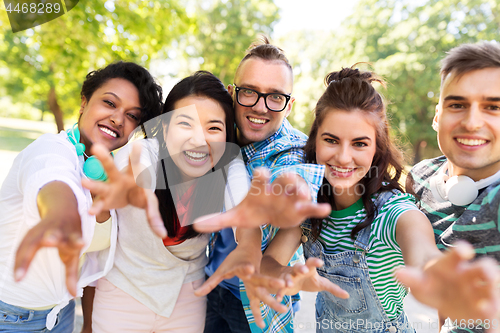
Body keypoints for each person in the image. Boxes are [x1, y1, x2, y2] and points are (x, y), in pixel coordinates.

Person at [259, 66, 499, 333]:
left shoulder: (396, 214)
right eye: (331, 140)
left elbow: (423, 257)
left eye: (359, 143)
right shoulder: (307, 204)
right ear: (315, 140)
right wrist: (283, 275)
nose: (343, 157)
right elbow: (269, 263)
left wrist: (439, 277)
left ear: (377, 147)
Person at [0, 61, 163, 332]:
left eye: (132, 115)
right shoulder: (50, 148)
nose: (118, 118)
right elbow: (53, 181)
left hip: (60, 315)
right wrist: (60, 216)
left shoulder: (108, 175)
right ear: (84, 102)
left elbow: (92, 263)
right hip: (11, 317)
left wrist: (87, 324)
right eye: (110, 103)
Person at [89, 70, 249, 333]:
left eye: (213, 128)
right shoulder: (145, 152)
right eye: (185, 123)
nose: (199, 140)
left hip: (185, 295)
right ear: (164, 127)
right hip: (124, 290)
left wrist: (250, 243)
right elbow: (138, 163)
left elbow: (242, 212)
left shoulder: (229, 165)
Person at [195, 36, 333, 333]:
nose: (260, 107)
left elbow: (294, 183)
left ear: (290, 105)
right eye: (249, 92)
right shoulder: (218, 132)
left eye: (275, 97)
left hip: (257, 301)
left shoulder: (296, 150)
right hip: (210, 285)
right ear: (233, 93)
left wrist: (283, 195)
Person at [405, 41, 500, 332]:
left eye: (493, 107)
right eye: (457, 104)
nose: (472, 122)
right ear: (437, 116)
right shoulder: (420, 177)